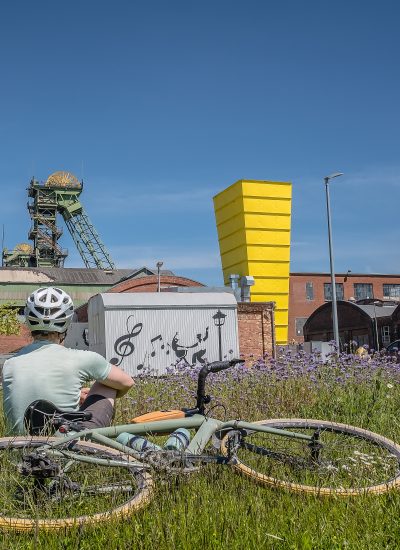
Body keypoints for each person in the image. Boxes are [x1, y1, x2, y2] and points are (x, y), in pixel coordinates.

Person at [2, 286, 134, 435]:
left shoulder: (10, 364)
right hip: (67, 446)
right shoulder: (83, 358)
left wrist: (75, 395)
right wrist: (92, 397)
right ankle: (97, 442)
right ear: (67, 322)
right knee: (108, 384)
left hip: (18, 446)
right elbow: (127, 382)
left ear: (28, 321)